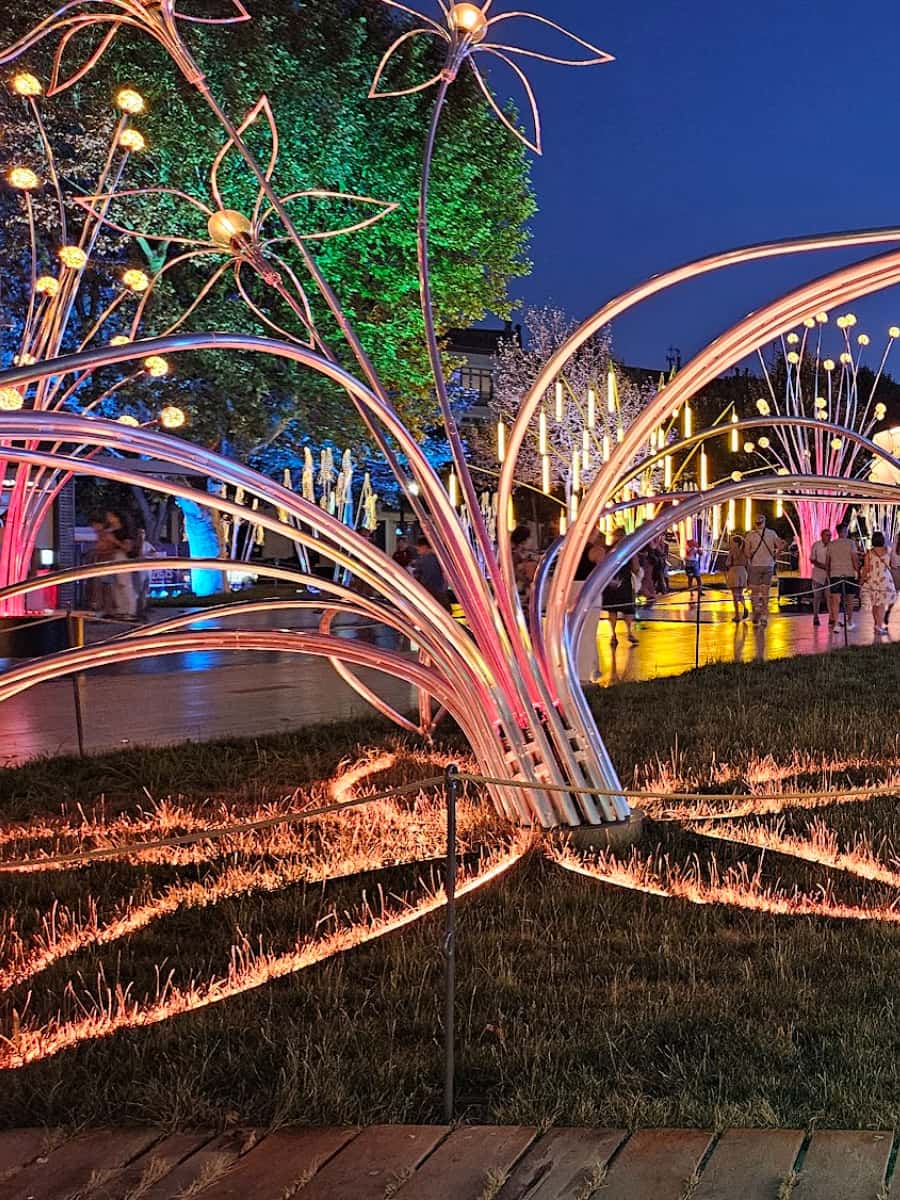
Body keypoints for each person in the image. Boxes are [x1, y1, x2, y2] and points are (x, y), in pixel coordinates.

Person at [596, 528, 639, 646]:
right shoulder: (628, 550)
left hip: (613, 582)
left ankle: (615, 635)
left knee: (614, 610)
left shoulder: (609, 550)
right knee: (624, 609)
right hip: (621, 582)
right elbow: (636, 568)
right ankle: (626, 633)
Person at [743, 514, 782, 627]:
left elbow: (746, 552)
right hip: (769, 565)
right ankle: (764, 615)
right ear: (765, 522)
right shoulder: (772, 533)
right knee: (765, 591)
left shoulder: (750, 535)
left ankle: (756, 610)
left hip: (755, 565)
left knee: (754, 591)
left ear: (755, 523)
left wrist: (750, 559)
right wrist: (775, 556)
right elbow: (780, 546)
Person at [859, 531, 896, 636]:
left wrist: (861, 581)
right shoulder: (888, 550)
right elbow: (892, 564)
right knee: (881, 605)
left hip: (872, 580)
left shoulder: (869, 553)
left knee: (875, 604)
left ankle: (877, 625)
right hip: (885, 581)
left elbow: (866, 569)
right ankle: (878, 627)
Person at [826, 521, 860, 632]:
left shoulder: (831, 544)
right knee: (849, 600)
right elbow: (854, 559)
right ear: (845, 532)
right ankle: (849, 622)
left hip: (835, 574)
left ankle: (836, 624)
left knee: (836, 601)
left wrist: (828, 574)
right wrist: (858, 571)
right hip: (849, 574)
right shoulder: (851, 543)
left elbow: (828, 562)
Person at [413, 535, 451, 610]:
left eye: (418, 549)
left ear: (424, 547)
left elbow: (427, 576)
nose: (418, 552)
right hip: (439, 590)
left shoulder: (427, 559)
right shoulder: (438, 557)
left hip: (431, 592)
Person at [510, 525, 538, 608]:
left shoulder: (524, 554)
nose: (531, 540)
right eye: (530, 538)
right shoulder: (515, 554)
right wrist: (528, 582)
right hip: (516, 592)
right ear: (524, 540)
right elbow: (514, 571)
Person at [809, 528, 832, 626]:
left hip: (829, 576)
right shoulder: (816, 545)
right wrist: (823, 566)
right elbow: (812, 559)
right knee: (817, 597)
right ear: (822, 536)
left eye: (830, 535)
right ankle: (815, 617)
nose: (829, 537)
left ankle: (831, 617)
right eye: (827, 535)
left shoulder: (832, 546)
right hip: (818, 575)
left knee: (829, 597)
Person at [725, 534, 749, 622]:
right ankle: (745, 607)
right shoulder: (744, 551)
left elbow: (728, 563)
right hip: (742, 571)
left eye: (732, 542)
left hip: (734, 571)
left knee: (735, 595)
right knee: (740, 593)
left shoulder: (732, 551)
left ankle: (737, 615)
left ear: (735, 543)